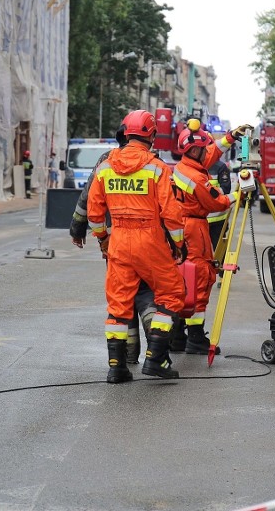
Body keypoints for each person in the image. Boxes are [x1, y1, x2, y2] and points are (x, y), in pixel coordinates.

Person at [87, 109, 189, 382]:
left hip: (118, 240)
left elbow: (94, 212)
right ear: (151, 135)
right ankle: (156, 358)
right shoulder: (156, 168)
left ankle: (116, 367)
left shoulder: (106, 166)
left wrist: (103, 239)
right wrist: (179, 243)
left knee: (119, 303)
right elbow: (171, 212)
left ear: (126, 133)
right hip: (150, 240)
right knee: (172, 294)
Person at [70, 127, 157, 366]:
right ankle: (156, 350)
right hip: (149, 243)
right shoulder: (152, 162)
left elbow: (89, 198)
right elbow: (167, 206)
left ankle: (128, 355)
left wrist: (78, 230)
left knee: (122, 295)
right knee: (147, 293)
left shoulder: (106, 161)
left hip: (115, 241)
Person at [171, 120, 250, 354]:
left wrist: (232, 136)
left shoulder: (186, 165)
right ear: (191, 150)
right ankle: (195, 338)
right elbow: (217, 202)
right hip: (194, 230)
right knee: (200, 278)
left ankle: (177, 336)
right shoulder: (196, 178)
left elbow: (210, 152)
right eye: (200, 148)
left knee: (183, 281)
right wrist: (238, 195)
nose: (205, 151)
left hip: (185, 227)